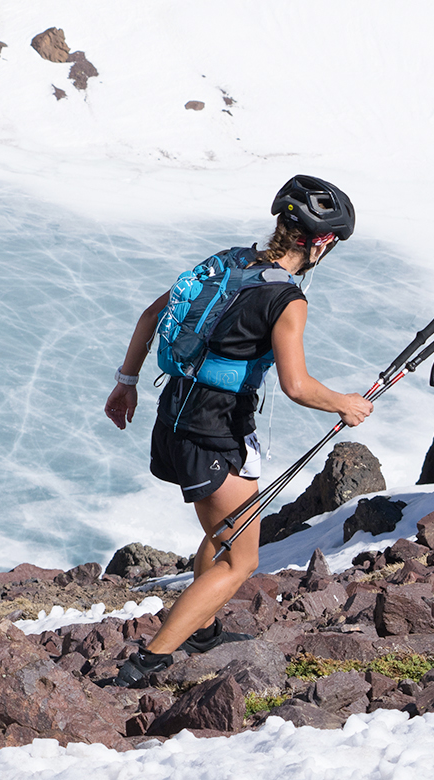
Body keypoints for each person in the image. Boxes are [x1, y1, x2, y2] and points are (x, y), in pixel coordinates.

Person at [102, 175, 373, 688]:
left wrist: (126, 383)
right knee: (240, 559)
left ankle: (201, 629)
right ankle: (147, 662)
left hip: (176, 416)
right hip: (214, 430)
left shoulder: (227, 263)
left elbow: (149, 316)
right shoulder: (288, 300)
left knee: (222, 534)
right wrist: (344, 404)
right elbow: (296, 385)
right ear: (321, 242)